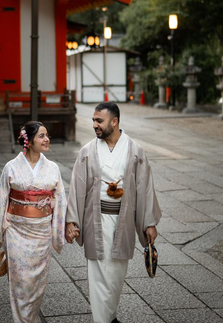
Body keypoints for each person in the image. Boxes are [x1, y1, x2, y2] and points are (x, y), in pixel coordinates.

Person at [65, 102, 162, 323]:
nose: (94, 125)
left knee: (117, 276)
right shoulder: (87, 152)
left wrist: (149, 223)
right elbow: (77, 187)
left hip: (124, 220)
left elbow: (145, 188)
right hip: (95, 220)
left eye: (99, 121)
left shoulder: (135, 151)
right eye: (93, 121)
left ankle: (110, 316)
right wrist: (72, 221)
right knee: (99, 277)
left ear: (114, 122)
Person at [0, 121, 67, 323]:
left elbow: (60, 200)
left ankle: (30, 317)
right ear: (28, 141)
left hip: (42, 233)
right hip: (16, 230)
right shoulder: (11, 167)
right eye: (41, 136)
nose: (47, 139)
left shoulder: (53, 168)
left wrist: (65, 227)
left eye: (47, 135)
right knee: (19, 281)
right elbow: (1, 198)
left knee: (38, 283)